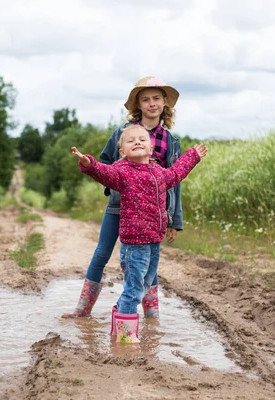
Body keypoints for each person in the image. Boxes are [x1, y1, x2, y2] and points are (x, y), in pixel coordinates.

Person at [62, 76, 185, 319]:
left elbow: (175, 181)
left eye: (156, 98)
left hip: (152, 214)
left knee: (148, 260)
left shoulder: (170, 142)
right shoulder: (122, 132)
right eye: (145, 99)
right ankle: (82, 309)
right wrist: (120, 184)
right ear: (138, 104)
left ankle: (151, 316)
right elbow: (104, 164)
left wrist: (174, 220)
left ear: (164, 104)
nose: (152, 103)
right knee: (101, 253)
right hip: (120, 206)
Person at [71, 124, 207, 342]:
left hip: (154, 241)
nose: (137, 142)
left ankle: (120, 313)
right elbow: (103, 173)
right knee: (134, 288)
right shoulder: (122, 172)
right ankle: (125, 338)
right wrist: (88, 163)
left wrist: (192, 156)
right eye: (131, 140)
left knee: (144, 285)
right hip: (135, 244)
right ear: (123, 152)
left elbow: (176, 173)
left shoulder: (158, 172)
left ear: (151, 149)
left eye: (142, 140)